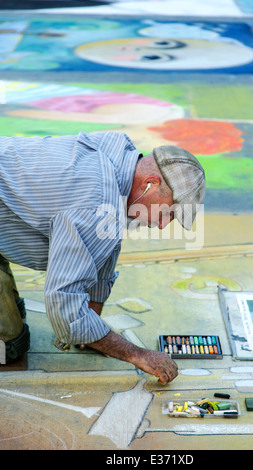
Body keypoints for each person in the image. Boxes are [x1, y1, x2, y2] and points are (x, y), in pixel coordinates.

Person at [0, 131, 205, 384]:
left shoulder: (118, 158)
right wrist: (138, 355)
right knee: (8, 347)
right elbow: (67, 312)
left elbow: (103, 249)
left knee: (15, 324)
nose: (163, 225)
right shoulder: (97, 202)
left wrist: (92, 326)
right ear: (149, 183)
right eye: (169, 213)